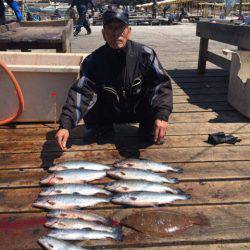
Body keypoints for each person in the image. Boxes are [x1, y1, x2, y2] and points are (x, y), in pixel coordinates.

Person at [55, 9, 173, 151]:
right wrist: (65, 125)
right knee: (90, 94)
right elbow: (81, 93)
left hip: (138, 110)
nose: (116, 33)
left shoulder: (145, 54)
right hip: (109, 112)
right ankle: (102, 129)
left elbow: (162, 84)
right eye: (110, 28)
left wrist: (162, 115)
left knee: (154, 91)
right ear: (103, 33)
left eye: (120, 28)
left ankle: (150, 127)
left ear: (128, 31)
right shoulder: (93, 61)